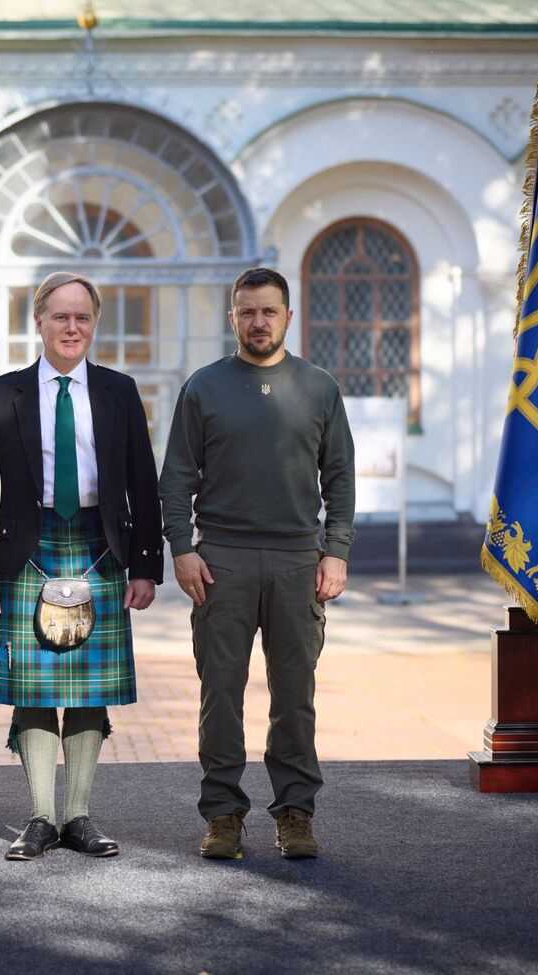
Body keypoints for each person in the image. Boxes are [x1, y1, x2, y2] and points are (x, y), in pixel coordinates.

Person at [0, 271, 163, 860]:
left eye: (82, 317)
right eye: (60, 317)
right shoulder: (2, 393)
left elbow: (143, 483)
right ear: (40, 322)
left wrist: (145, 564)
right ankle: (41, 818)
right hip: (27, 550)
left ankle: (78, 816)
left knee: (88, 689)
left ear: (93, 324)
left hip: (100, 546)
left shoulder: (120, 391)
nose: (71, 328)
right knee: (34, 687)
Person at [158, 266, 355, 860]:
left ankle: (295, 813)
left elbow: (340, 477)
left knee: (294, 696)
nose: (259, 321)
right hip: (222, 562)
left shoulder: (319, 388)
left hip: (298, 561)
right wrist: (182, 548)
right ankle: (222, 815)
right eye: (248, 312)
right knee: (221, 693)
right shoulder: (203, 388)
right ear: (233, 318)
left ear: (288, 317)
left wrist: (336, 551)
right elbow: (177, 477)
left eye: (269, 311)